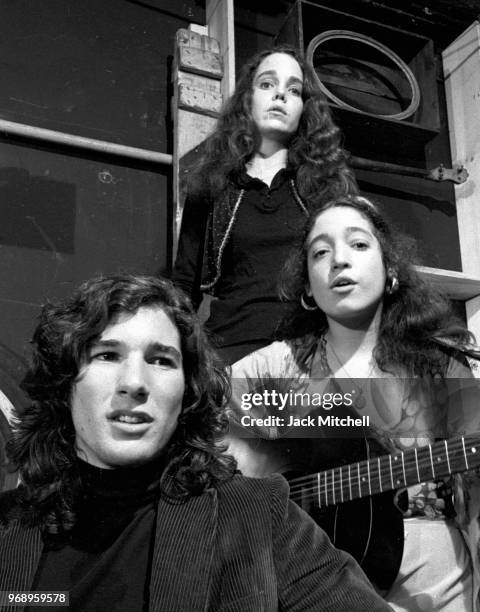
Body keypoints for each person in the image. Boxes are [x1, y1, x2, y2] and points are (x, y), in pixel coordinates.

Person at [0, 274, 392, 612]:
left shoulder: (259, 516)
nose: (135, 382)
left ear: (186, 394)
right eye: (107, 355)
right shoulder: (8, 528)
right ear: (65, 384)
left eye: (161, 361)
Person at [227, 195, 480, 611]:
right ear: (308, 285)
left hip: (437, 576)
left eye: (359, 245)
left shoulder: (441, 364)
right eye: (320, 252)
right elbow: (210, 444)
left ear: (391, 269)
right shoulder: (273, 366)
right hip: (314, 568)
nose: (339, 261)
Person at [172, 45, 356, 365]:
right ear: (248, 98)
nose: (280, 96)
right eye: (267, 84)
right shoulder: (211, 185)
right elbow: (184, 286)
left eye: (294, 89)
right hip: (229, 354)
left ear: (304, 108)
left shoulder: (327, 189)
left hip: (310, 354)